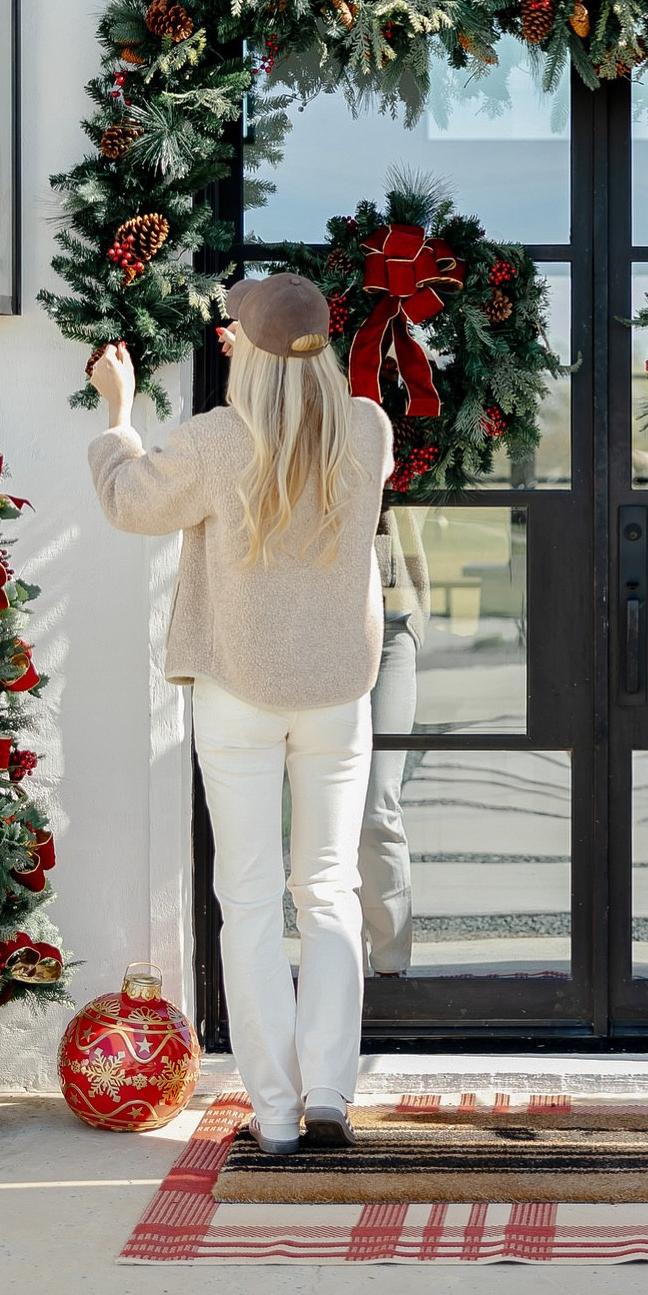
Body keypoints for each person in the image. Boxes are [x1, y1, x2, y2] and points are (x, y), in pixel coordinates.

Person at [86, 273, 392, 1155]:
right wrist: (268, 352)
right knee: (329, 891)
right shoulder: (366, 428)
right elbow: (303, 405)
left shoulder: (216, 441)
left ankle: (277, 1116)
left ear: (243, 359)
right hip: (337, 692)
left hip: (239, 694)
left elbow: (130, 500)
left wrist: (117, 417)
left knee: (250, 900)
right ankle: (332, 1090)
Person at [360, 505, 430, 976]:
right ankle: (330, 982)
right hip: (305, 631)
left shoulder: (399, 433)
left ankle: (389, 974)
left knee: (377, 806)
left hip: (388, 622)